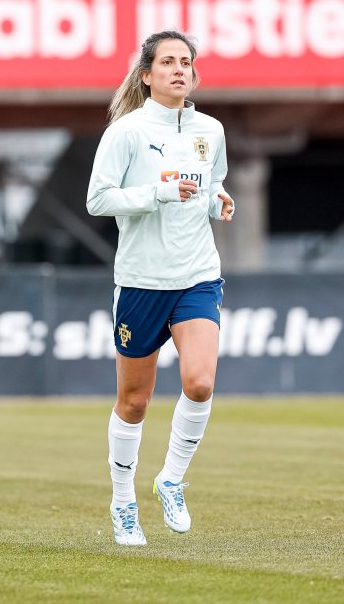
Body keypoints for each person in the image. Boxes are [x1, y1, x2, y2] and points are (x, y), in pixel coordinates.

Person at [86, 30, 235, 545]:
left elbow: (211, 184)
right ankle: (123, 500)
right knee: (134, 402)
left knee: (199, 383)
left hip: (196, 274)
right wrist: (159, 192)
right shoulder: (126, 132)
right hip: (141, 282)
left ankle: (171, 479)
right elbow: (98, 200)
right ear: (146, 74)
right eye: (167, 62)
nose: (178, 69)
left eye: (186, 62)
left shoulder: (210, 129)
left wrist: (219, 201)